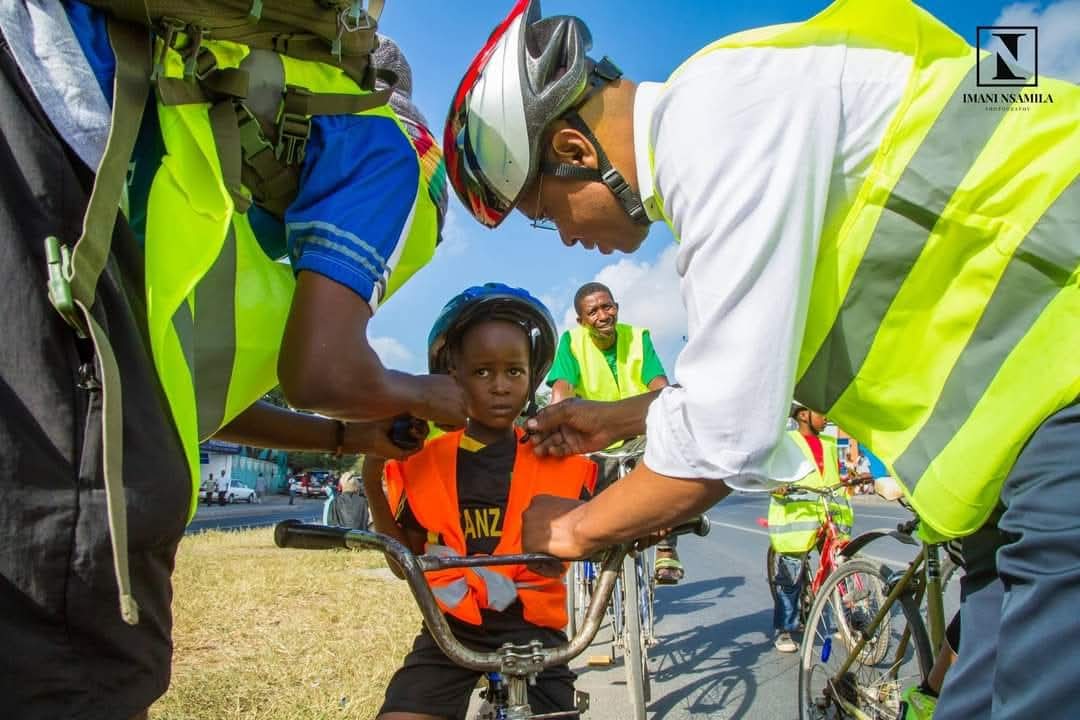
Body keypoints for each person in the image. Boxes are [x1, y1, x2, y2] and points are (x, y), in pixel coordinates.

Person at [444, 1, 1079, 717]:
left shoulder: (717, 125)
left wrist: (573, 528)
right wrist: (620, 417)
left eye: (544, 212)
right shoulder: (724, 118)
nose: (562, 238)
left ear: (573, 151)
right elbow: (748, 380)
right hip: (1022, 442)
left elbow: (727, 434)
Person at [0, 2, 460, 717]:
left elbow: (190, 395)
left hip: (37, 106)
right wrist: (429, 394)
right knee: (79, 583)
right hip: (58, 133)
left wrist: (349, 436)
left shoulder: (228, 183)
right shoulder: (391, 149)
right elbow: (323, 374)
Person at [363, 283, 596, 719]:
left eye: (514, 371)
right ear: (453, 375)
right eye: (483, 372)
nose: (501, 386)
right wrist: (371, 476)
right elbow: (402, 561)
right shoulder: (423, 461)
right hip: (449, 632)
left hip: (536, 635)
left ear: (532, 377)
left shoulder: (558, 457)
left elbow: (603, 524)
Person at [547, 281, 681, 583]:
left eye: (607, 307)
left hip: (639, 433)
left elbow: (658, 384)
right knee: (585, 499)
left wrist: (673, 410)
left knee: (667, 472)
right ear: (581, 321)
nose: (602, 315)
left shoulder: (637, 338)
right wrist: (558, 414)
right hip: (595, 438)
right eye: (592, 312)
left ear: (616, 308)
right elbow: (562, 389)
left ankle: (665, 546)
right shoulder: (572, 342)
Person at [767, 402, 852, 653]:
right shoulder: (786, 441)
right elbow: (771, 470)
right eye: (820, 412)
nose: (826, 418)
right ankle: (784, 628)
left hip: (828, 515)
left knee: (841, 567)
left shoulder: (828, 443)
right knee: (790, 575)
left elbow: (833, 476)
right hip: (798, 516)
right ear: (804, 415)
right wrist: (776, 484)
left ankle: (847, 620)